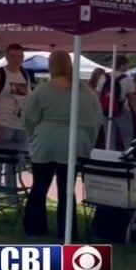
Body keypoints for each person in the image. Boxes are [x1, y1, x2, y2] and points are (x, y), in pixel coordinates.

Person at [22, 50, 103, 240]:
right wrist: (87, 142)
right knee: (67, 190)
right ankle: (67, 230)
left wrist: (34, 136)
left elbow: (29, 118)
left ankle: (35, 226)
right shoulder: (85, 92)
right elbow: (96, 119)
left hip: (46, 142)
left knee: (39, 186)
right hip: (74, 143)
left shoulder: (42, 90)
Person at [0, 44, 32, 208]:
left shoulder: (24, 75)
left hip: (20, 125)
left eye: (19, 56)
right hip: (2, 124)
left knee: (14, 163)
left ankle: (11, 196)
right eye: (13, 56)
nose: (17, 59)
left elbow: (28, 100)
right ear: (6, 57)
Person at [96, 55, 136, 151]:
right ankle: (127, 156)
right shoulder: (127, 79)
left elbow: (98, 95)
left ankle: (109, 158)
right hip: (123, 111)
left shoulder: (103, 77)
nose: (127, 67)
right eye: (126, 65)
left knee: (109, 138)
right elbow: (133, 99)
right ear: (122, 65)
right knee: (127, 137)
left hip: (106, 111)